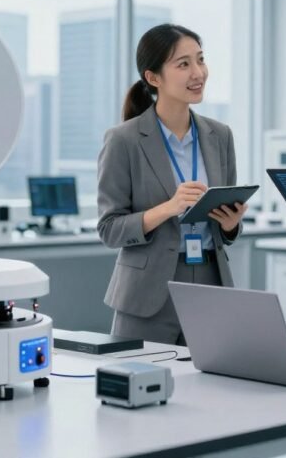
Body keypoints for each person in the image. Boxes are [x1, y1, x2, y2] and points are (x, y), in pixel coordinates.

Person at [97, 24, 248, 345]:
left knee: (211, 391)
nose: (198, 73)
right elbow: (109, 229)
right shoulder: (123, 140)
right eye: (183, 64)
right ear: (153, 78)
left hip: (210, 282)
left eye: (200, 60)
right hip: (148, 291)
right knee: (142, 387)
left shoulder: (220, 136)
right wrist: (168, 209)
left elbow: (226, 226)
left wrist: (232, 225)